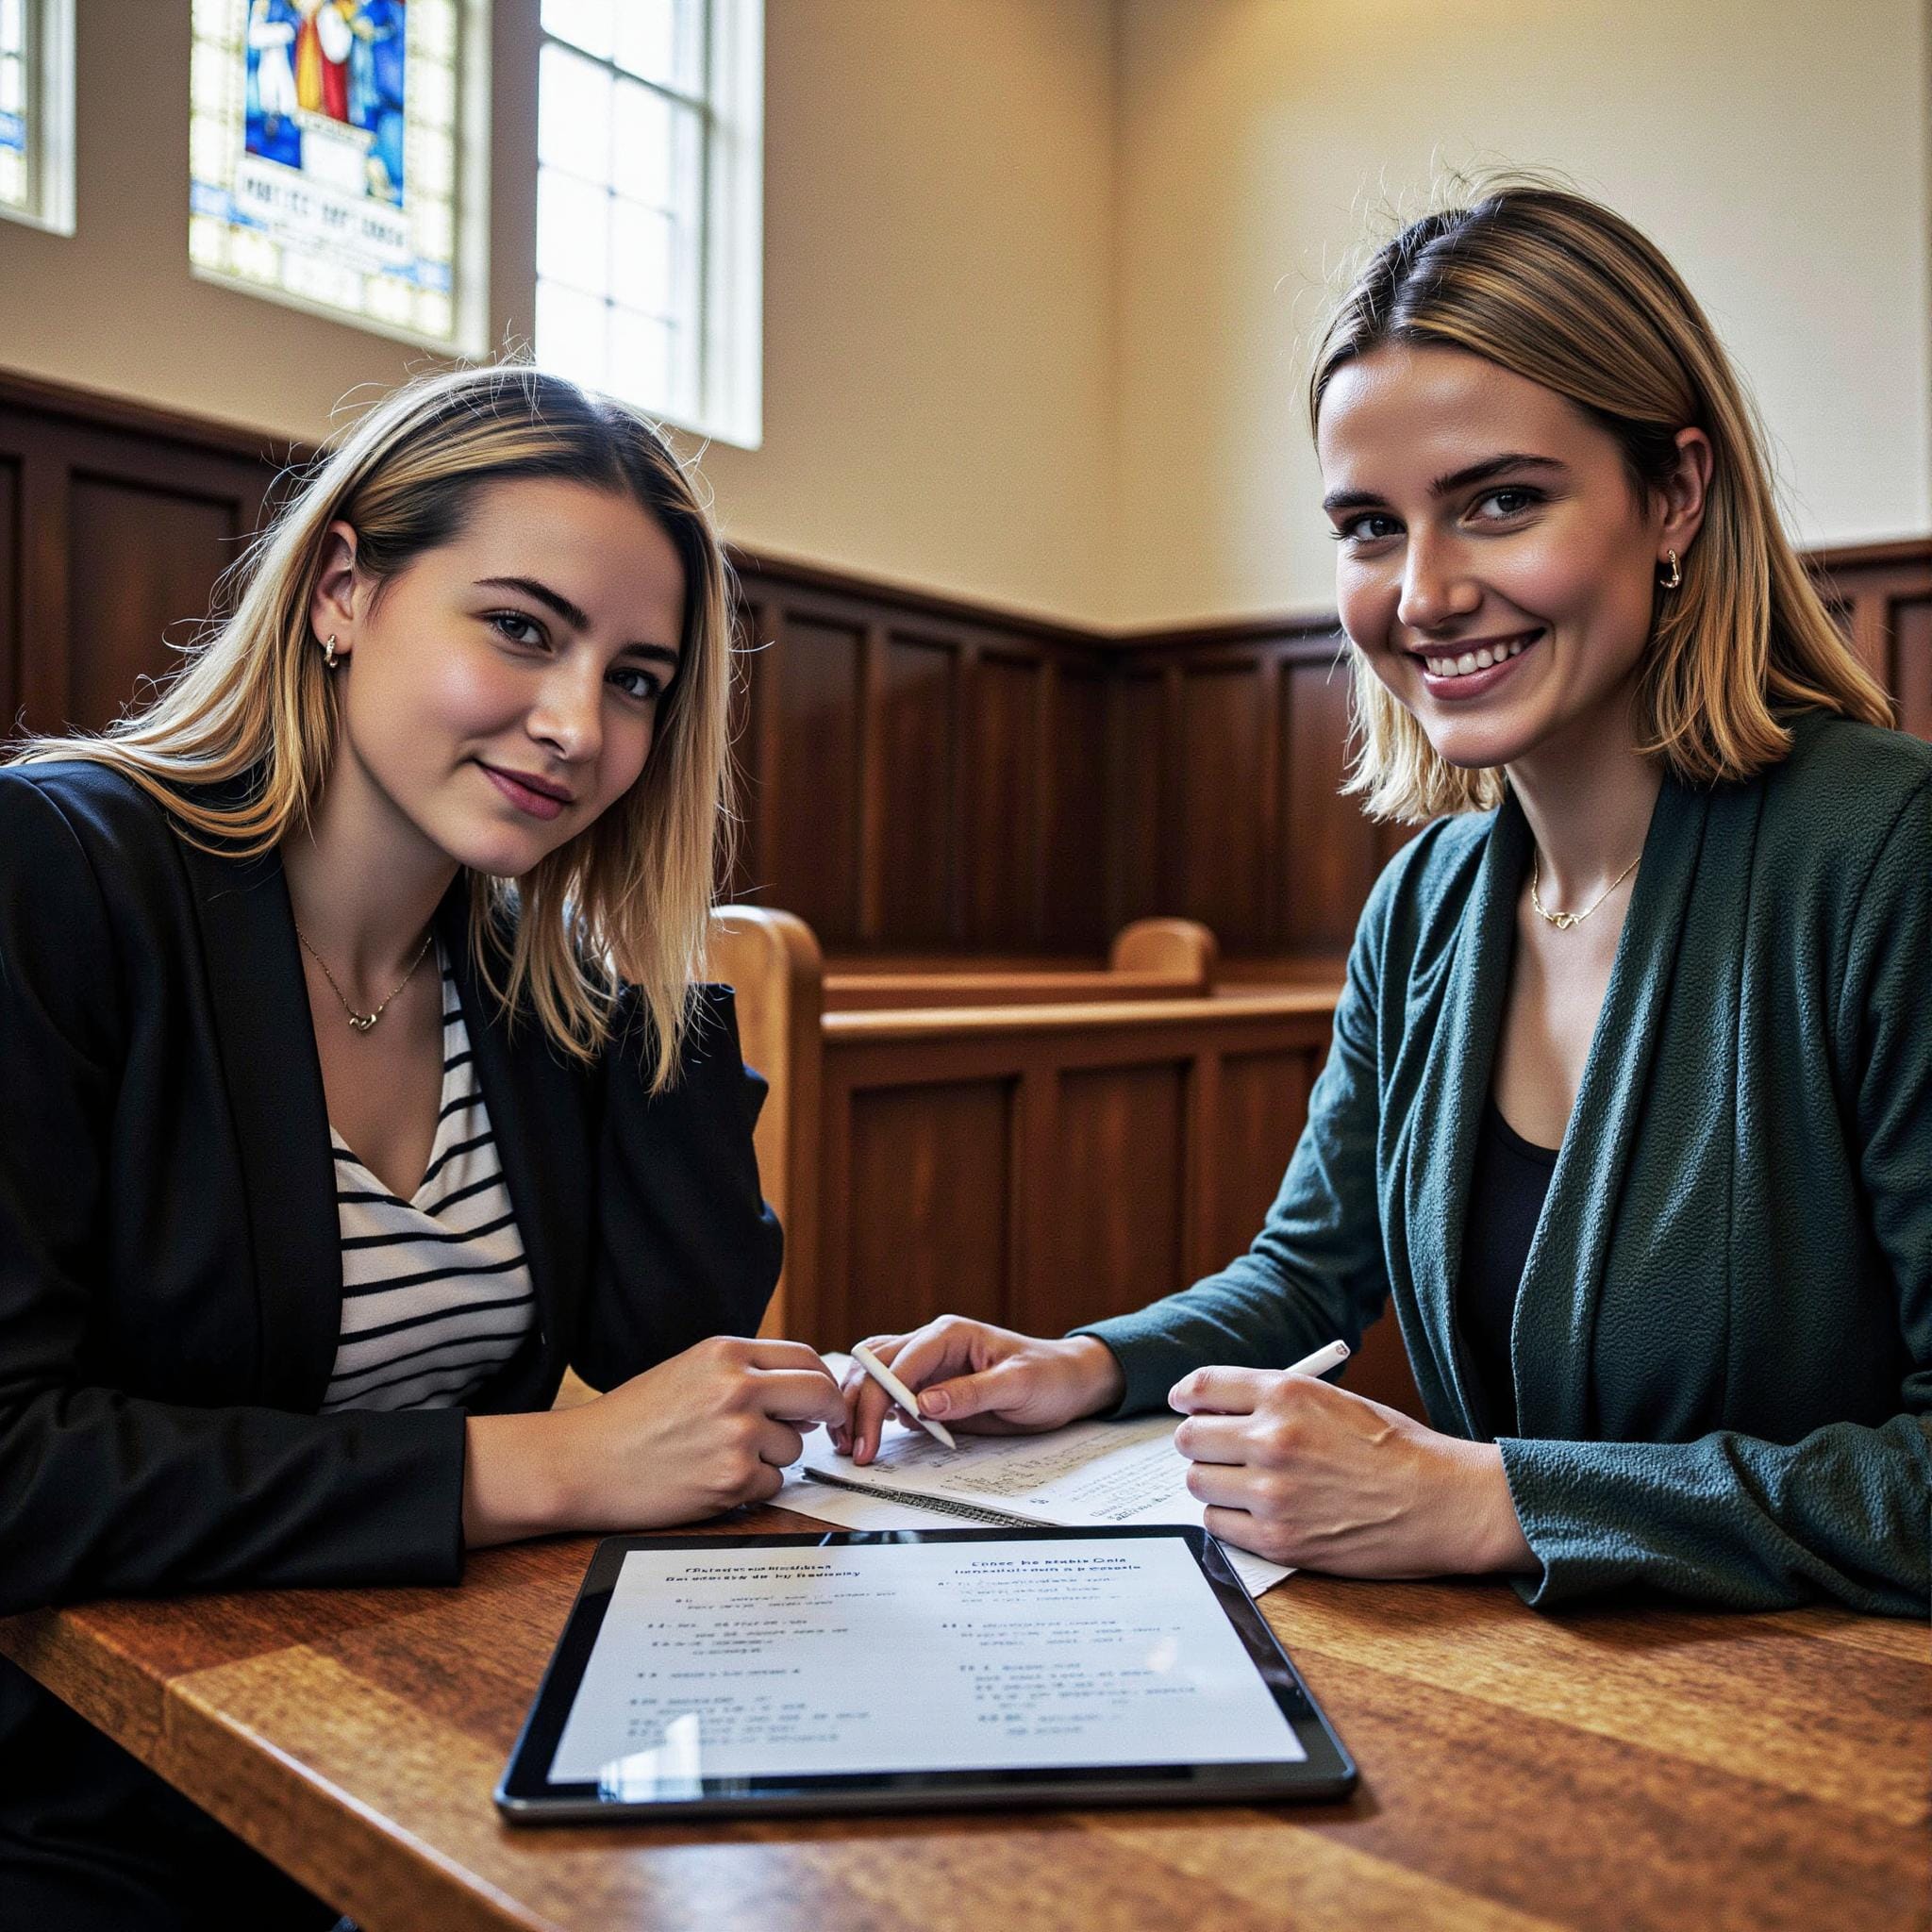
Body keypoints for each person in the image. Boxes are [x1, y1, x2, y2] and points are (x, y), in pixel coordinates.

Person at [836, 182, 1932, 1619]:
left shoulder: (1883, 852)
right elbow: (1310, 1271)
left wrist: (1491, 1500)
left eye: (1501, 501)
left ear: (1676, 495)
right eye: (1368, 525)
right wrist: (1085, 1366)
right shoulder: (1427, 900)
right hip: (1535, 1703)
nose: (1423, 593)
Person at [0, 363, 845, 1927]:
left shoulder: (519, 975)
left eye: (642, 680)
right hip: (79, 1810)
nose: (578, 724)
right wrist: (537, 1463)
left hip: (411, 1753)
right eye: (520, 628)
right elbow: (15, 1469)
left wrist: (645, 953)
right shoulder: (55, 872)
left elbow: (677, 1333)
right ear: (342, 589)